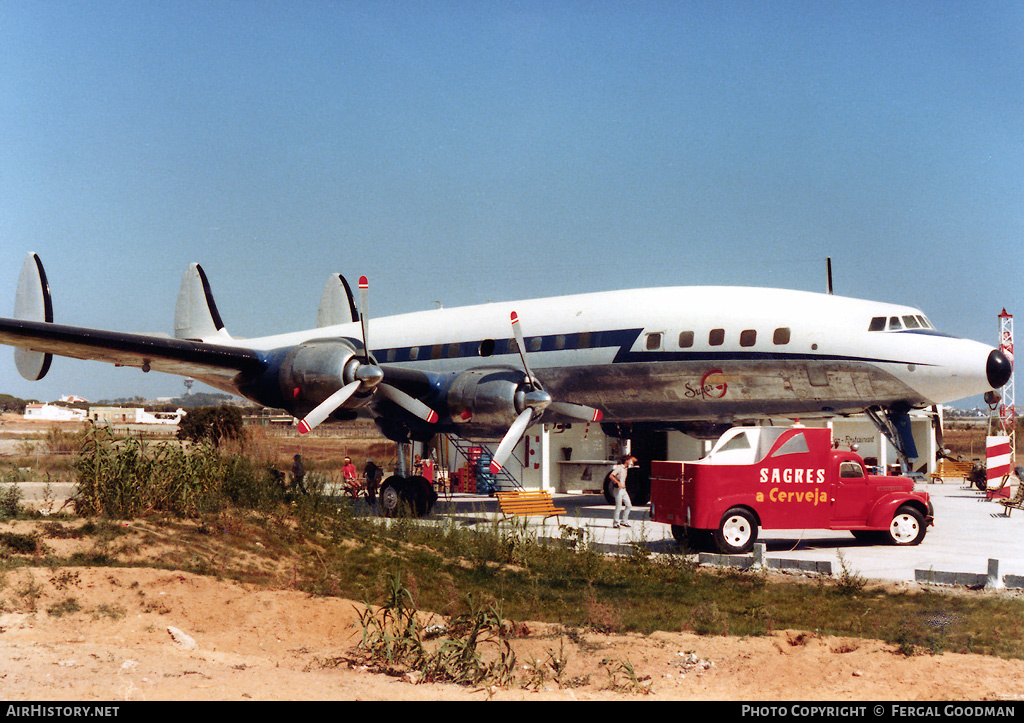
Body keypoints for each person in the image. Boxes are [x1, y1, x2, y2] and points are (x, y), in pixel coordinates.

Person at [609, 454, 636, 529]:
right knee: (619, 506)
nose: (631, 461)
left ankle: (624, 521)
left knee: (629, 505)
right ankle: (615, 523)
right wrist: (617, 483)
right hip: (618, 489)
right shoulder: (619, 468)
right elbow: (611, 476)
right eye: (629, 460)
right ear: (626, 460)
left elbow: (634, 461)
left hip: (624, 489)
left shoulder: (626, 468)